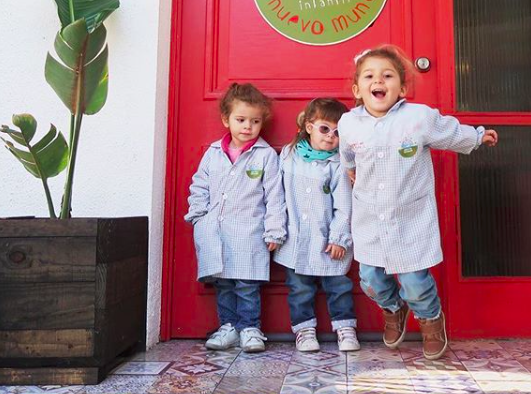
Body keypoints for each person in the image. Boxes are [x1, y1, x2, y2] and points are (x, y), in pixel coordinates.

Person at [338, 46, 498, 360]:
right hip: (370, 216)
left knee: (414, 282)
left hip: (410, 216)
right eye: (369, 76)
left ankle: (430, 318)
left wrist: (477, 137)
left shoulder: (418, 118)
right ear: (357, 90)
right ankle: (392, 308)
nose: (378, 81)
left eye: (387, 76)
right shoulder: (348, 123)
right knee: (370, 279)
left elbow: (449, 132)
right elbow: (347, 153)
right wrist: (351, 169)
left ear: (402, 88)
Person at [185, 83, 286, 353]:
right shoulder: (213, 153)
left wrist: (274, 231)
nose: (247, 127)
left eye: (255, 121)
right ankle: (228, 327)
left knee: (247, 284)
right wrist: (199, 216)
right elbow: (199, 185)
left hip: (250, 232)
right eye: (241, 120)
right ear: (226, 120)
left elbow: (274, 196)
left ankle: (250, 328)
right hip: (216, 232)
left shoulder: (265, 156)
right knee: (225, 284)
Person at [275, 98, 360, 353]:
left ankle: (345, 328)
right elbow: (276, 195)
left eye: (337, 132)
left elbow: (344, 204)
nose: (330, 137)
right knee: (299, 288)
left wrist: (339, 238)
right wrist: (276, 230)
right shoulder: (289, 156)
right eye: (325, 129)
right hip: (295, 238)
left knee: (338, 286)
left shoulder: (339, 164)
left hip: (328, 240)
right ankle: (304, 330)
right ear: (309, 126)